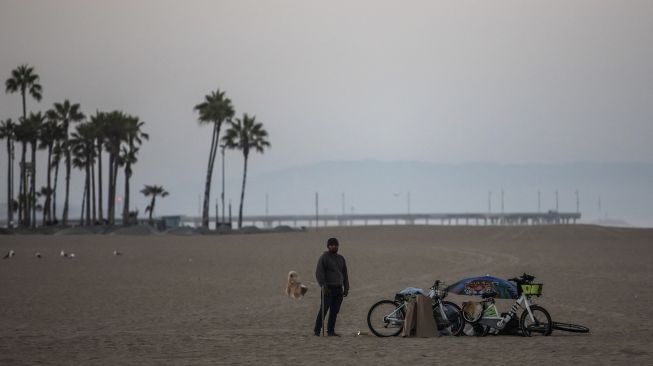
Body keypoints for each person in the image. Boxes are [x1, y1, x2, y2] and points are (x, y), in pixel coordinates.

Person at [314, 237, 349, 337]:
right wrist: (323, 285)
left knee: (334, 311)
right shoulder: (324, 258)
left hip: (339, 289)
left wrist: (346, 288)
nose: (334, 246)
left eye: (336, 244)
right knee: (323, 310)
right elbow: (319, 273)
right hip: (328, 289)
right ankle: (317, 330)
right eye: (332, 245)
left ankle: (331, 331)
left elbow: (345, 274)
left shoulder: (341, 258)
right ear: (328, 246)